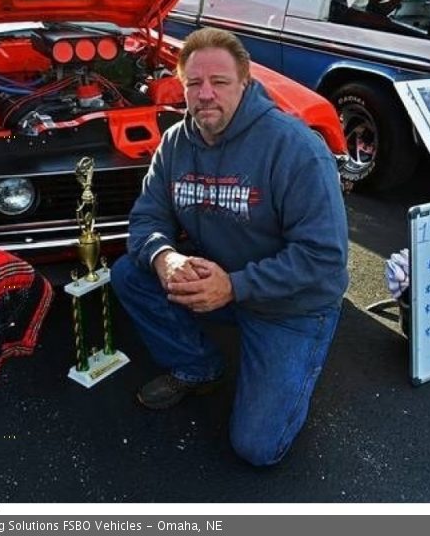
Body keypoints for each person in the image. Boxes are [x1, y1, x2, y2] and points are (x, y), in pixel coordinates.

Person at [110, 27, 349, 466]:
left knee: (258, 448)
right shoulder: (175, 143)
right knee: (130, 273)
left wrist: (234, 286)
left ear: (245, 83)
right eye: (193, 84)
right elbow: (147, 219)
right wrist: (167, 257)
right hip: (218, 280)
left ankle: (300, 365)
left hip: (291, 306)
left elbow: (325, 260)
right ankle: (199, 365)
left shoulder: (296, 150)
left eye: (218, 82)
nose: (205, 95)